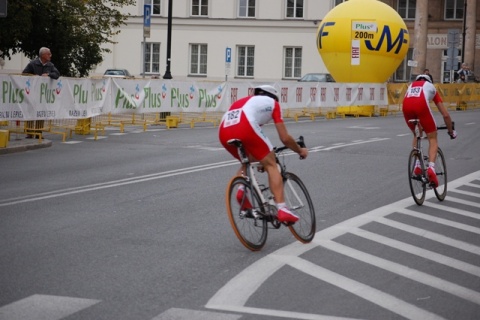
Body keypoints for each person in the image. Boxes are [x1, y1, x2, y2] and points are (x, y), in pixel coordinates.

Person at [218, 85, 308, 223]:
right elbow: (284, 138)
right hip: (245, 125)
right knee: (271, 164)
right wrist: (299, 150)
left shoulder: (247, 102)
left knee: (246, 161)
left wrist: (261, 160)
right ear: (273, 97)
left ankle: (242, 188)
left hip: (223, 130)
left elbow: (254, 144)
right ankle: (282, 209)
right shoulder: (273, 104)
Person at [402, 74, 457, 188]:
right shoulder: (431, 87)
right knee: (433, 138)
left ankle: (417, 164)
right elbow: (445, 115)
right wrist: (451, 131)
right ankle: (431, 168)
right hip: (421, 106)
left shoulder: (411, 85)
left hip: (406, 107)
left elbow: (410, 102)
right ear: (430, 81)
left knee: (417, 134)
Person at [22, 47, 60, 138]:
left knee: (40, 113)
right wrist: (34, 77)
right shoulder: (33, 64)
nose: (50, 55)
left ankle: (39, 132)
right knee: (31, 111)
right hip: (33, 93)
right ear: (43, 55)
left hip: (43, 94)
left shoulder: (50, 65)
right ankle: (29, 132)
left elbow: (57, 74)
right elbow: (24, 74)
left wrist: (49, 75)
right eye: (48, 54)